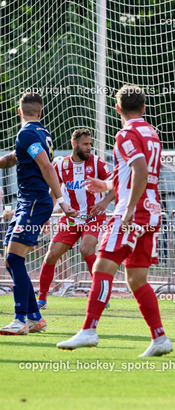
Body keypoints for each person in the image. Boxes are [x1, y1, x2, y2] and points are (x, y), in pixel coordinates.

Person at [57, 85, 172, 357]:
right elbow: (138, 174)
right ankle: (159, 338)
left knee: (102, 266)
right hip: (151, 210)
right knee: (136, 278)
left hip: (132, 211)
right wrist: (107, 184)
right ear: (143, 108)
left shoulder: (126, 134)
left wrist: (129, 208)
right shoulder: (151, 133)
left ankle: (89, 329)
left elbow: (140, 170)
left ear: (118, 108)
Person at [0, 92, 77, 335]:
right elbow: (15, 158)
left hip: (34, 202)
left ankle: (20, 319)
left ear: (19, 111)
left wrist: (62, 201)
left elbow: (46, 166)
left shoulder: (27, 133)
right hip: (26, 203)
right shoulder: (40, 133)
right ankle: (34, 317)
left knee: (15, 259)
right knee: (10, 259)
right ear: (40, 111)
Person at [37, 129, 114, 309]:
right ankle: (41, 300)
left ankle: (101, 295)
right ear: (74, 144)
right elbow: (53, 192)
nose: (89, 147)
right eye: (85, 144)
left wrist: (104, 203)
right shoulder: (61, 166)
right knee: (51, 255)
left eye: (90, 144)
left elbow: (115, 185)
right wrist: (47, 215)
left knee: (86, 249)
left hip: (93, 217)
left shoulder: (97, 163)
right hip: (71, 219)